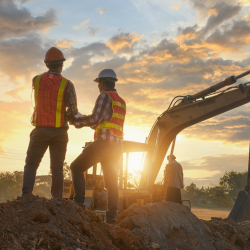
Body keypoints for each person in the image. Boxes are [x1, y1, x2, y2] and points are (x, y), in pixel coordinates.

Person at [70, 69, 126, 224]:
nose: (98, 86)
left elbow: (95, 118)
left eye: (98, 83)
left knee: (76, 167)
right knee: (111, 182)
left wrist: (77, 121)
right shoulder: (120, 100)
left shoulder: (104, 96)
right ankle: (111, 217)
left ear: (102, 82)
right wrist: (86, 121)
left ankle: (79, 204)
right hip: (117, 146)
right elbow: (102, 122)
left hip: (104, 144)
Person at [21, 47, 78, 199]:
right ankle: (57, 200)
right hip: (59, 131)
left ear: (46, 64)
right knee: (57, 168)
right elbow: (72, 111)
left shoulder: (36, 80)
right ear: (62, 64)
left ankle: (26, 194)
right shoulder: (68, 84)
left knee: (31, 163)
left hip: (40, 130)